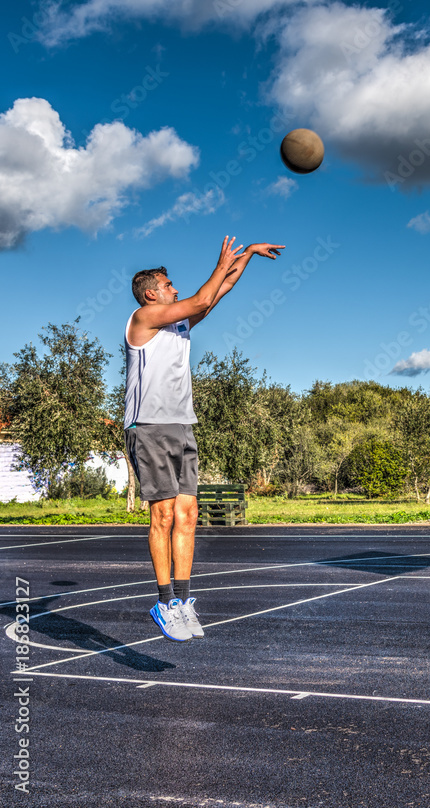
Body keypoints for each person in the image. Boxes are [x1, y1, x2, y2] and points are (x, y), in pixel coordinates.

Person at [124, 236, 284, 641]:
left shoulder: (175, 322)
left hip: (182, 424)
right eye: (168, 284)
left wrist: (245, 257)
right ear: (150, 294)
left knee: (189, 515)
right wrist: (220, 263)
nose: (174, 288)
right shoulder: (142, 319)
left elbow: (215, 294)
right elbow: (199, 299)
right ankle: (162, 603)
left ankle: (182, 601)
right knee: (161, 515)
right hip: (149, 424)